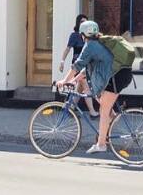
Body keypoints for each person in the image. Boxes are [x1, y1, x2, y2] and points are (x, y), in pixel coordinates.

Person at [57, 20, 133, 155]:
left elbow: (77, 65)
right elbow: (86, 69)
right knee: (107, 110)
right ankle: (107, 131)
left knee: (103, 110)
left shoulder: (90, 46)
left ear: (83, 35)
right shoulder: (98, 44)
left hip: (116, 77)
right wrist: (74, 80)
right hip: (120, 75)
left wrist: (64, 80)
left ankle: (101, 144)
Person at [58, 14, 98, 117]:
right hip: (78, 65)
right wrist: (62, 61)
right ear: (78, 23)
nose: (83, 23)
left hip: (85, 65)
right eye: (81, 21)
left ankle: (69, 108)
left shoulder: (88, 35)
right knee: (86, 85)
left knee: (80, 87)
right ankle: (92, 112)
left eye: (85, 21)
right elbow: (68, 49)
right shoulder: (75, 35)